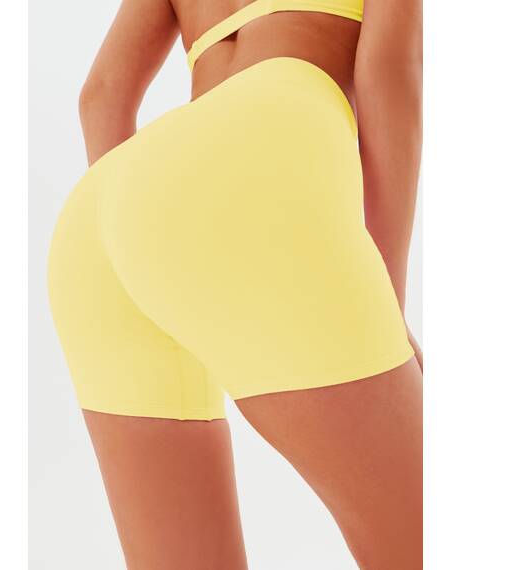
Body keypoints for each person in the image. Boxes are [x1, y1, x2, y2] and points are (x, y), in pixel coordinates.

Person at [48, 0, 423, 568]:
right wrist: (386, 300)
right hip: (255, 158)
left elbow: (101, 95)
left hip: (101, 213)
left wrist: (141, 231)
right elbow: (390, 71)